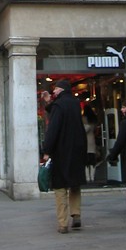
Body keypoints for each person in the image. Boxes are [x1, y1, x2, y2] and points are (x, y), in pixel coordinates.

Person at [41, 79, 87, 234]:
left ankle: (63, 223)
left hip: (62, 151)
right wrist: (49, 102)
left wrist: (46, 150)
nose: (53, 91)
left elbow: (53, 129)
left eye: (55, 89)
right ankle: (76, 214)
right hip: (77, 149)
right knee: (75, 184)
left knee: (60, 186)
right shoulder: (75, 103)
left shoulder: (59, 105)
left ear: (60, 90)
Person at [83, 105, 98, 183]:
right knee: (92, 160)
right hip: (92, 140)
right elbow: (95, 129)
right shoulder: (94, 119)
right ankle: (92, 176)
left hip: (85, 140)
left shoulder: (83, 119)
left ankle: (87, 177)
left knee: (86, 161)